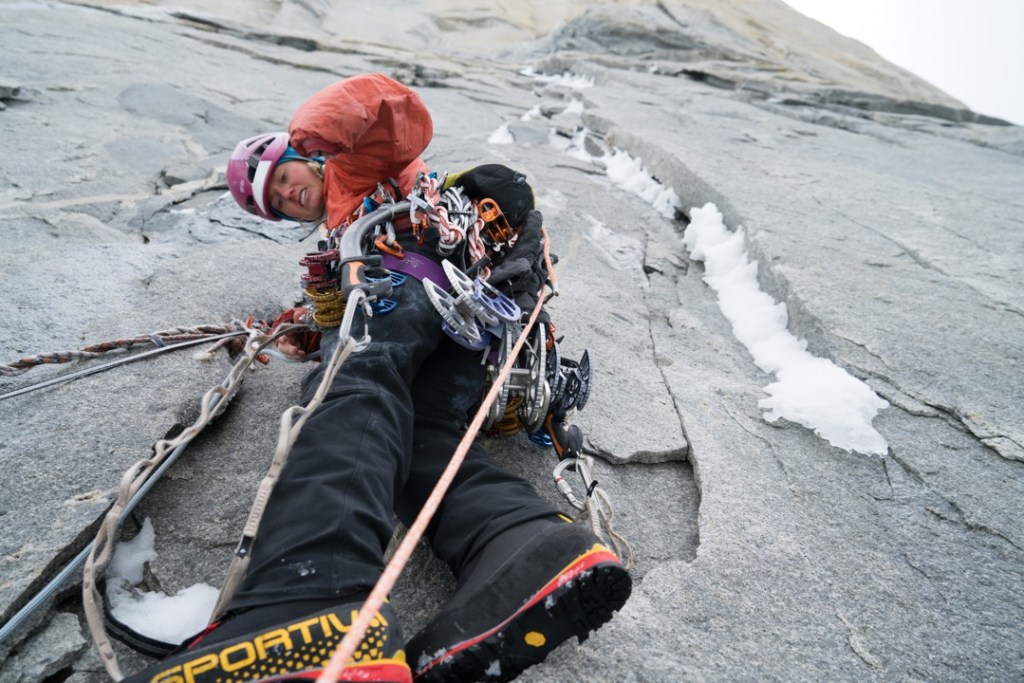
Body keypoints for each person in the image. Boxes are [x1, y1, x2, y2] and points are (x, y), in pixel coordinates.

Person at [125, 73, 630, 683]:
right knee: (417, 438)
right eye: (276, 203)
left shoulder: (353, 171)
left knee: (350, 387)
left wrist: (318, 127)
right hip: (466, 322)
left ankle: (308, 593)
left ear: (303, 157)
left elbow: (396, 113)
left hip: (412, 285)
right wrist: (308, 332)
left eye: (284, 177)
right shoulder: (343, 230)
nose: (288, 195)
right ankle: (524, 545)